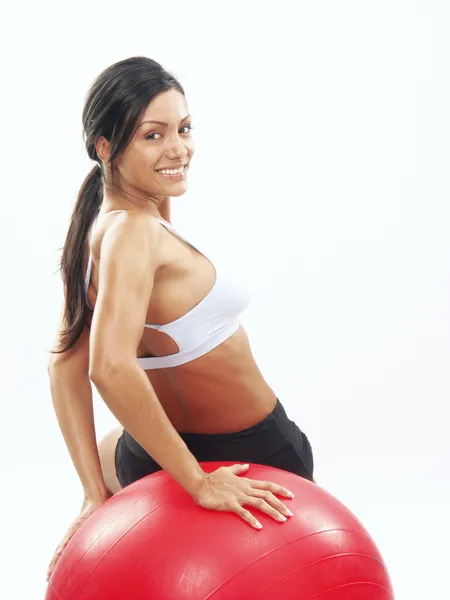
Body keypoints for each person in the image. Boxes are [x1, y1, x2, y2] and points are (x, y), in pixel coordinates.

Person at [46, 56, 315, 580]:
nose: (179, 149)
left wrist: (93, 490)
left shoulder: (102, 232)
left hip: (145, 459)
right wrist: (198, 482)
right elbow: (109, 367)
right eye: (153, 135)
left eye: (184, 129)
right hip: (254, 453)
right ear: (105, 147)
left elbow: (64, 367)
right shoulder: (133, 235)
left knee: (110, 451)